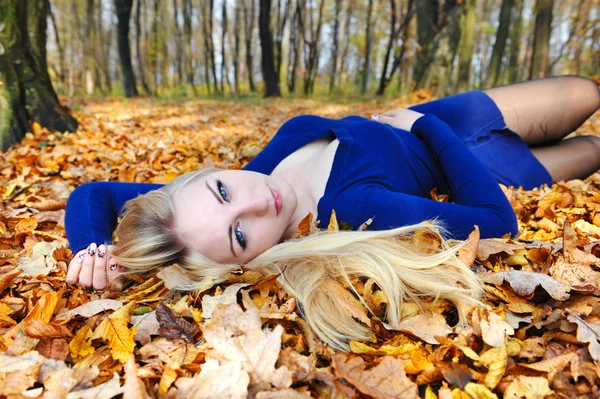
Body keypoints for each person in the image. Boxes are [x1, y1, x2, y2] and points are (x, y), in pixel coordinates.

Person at [65, 76, 600, 350]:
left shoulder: (245, 176)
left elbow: (94, 192)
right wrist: (420, 127)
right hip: (468, 158)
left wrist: (93, 247)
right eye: (240, 234)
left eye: (224, 192)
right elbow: (496, 220)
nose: (258, 200)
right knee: (593, 149)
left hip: (448, 112)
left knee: (584, 90)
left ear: (207, 176)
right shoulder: (352, 206)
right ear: (248, 260)